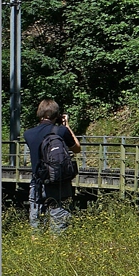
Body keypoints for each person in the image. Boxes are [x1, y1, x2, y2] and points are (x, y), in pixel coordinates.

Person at [24, 99, 81, 233]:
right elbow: (77, 148)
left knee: (36, 225)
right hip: (59, 182)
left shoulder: (28, 134)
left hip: (37, 183)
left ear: (39, 113)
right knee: (59, 225)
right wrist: (66, 125)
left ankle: (36, 248)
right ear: (57, 114)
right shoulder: (61, 131)